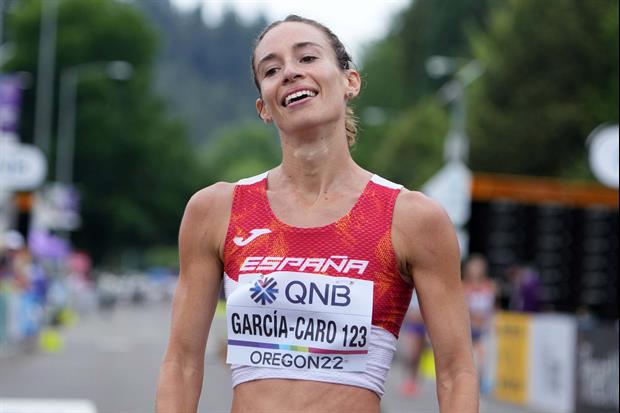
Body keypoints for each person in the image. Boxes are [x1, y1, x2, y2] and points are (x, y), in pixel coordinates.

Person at [156, 15, 478, 413]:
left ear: (350, 82)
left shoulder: (411, 218)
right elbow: (182, 364)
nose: (290, 72)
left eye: (307, 58)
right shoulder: (215, 210)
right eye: (271, 70)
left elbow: (456, 372)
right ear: (264, 108)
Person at [462, 253, 496, 385]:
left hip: (483, 329)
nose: (476, 270)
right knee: (470, 361)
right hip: (469, 329)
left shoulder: (489, 286)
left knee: (482, 361)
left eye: (478, 267)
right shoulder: (464, 286)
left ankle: (480, 384)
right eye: (473, 267)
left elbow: (492, 307)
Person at [399, 291, 428, 397]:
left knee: (418, 357)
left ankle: (414, 381)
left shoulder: (424, 292)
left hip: (422, 327)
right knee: (412, 354)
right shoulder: (410, 292)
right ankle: (407, 380)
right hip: (412, 327)